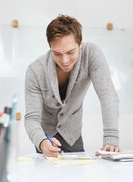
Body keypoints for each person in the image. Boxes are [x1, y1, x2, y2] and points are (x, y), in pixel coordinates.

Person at [25, 14, 121, 157]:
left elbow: (107, 95)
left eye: (70, 52)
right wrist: (41, 142)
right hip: (46, 138)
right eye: (57, 53)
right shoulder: (35, 71)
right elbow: (31, 118)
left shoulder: (91, 54)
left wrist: (111, 138)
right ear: (50, 47)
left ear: (80, 43)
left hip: (73, 135)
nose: (64, 60)